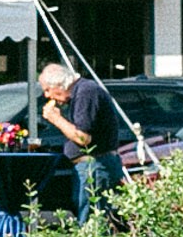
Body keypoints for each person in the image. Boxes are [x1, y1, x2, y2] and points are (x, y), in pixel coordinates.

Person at [38, 59, 132, 223]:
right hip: (89, 166)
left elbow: (83, 138)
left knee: (91, 221)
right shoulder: (79, 93)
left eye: (47, 89)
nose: (46, 95)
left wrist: (56, 118)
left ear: (59, 85)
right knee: (87, 217)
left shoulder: (86, 92)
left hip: (95, 166)